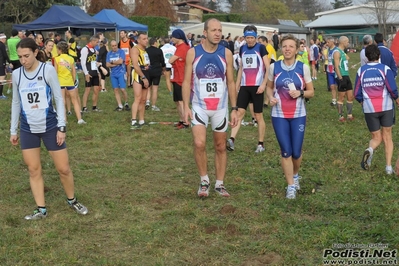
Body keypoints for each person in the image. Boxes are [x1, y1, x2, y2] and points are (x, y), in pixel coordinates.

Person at [9, 38, 88, 220]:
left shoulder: (48, 70)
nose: (23, 60)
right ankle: (41, 209)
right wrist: (13, 130)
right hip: (28, 128)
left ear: (36, 52)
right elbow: (15, 102)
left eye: (26, 56)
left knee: (64, 168)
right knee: (33, 170)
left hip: (51, 126)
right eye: (20, 57)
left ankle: (72, 200)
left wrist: (62, 126)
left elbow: (59, 99)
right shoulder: (17, 74)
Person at [182, 18, 238, 198]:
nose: (217, 33)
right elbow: (185, 81)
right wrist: (185, 106)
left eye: (219, 30)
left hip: (220, 108)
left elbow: (230, 81)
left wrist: (235, 108)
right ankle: (204, 181)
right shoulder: (193, 52)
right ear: (205, 33)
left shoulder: (226, 53)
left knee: (221, 146)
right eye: (213, 30)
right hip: (199, 106)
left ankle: (220, 184)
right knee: (199, 143)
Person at [266, 34, 314, 199]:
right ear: (281, 48)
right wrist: (270, 97)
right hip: (279, 115)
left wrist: (300, 92)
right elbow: (269, 87)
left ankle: (295, 174)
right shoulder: (274, 67)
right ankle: (291, 186)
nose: (287, 49)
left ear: (296, 49)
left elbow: (311, 92)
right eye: (285, 46)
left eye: (291, 46)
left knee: (296, 152)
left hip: (298, 115)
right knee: (286, 151)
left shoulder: (303, 67)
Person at [354, 44, 399, 175]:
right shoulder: (385, 69)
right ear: (379, 55)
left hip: (369, 108)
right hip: (386, 107)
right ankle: (388, 167)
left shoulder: (360, 71)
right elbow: (392, 88)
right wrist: (396, 98)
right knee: (387, 137)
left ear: (366, 57)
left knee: (376, 137)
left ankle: (370, 150)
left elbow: (356, 92)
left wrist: (362, 102)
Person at [227, 25, 270, 153]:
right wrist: (237, 84)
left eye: (252, 38)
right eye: (247, 38)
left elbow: (268, 68)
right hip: (245, 86)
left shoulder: (261, 48)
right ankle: (232, 139)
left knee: (258, 115)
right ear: (244, 37)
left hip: (257, 86)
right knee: (239, 113)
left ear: (256, 37)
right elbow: (241, 67)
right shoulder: (242, 48)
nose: (250, 40)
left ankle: (260, 144)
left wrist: (263, 84)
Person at [54, 41, 86, 125]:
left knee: (62, 101)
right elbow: (74, 72)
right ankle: (79, 119)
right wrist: (73, 80)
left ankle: (64, 120)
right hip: (70, 82)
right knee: (74, 100)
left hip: (60, 82)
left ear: (60, 49)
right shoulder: (71, 58)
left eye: (57, 49)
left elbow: (55, 72)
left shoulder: (56, 59)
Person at [169, 29, 191, 129]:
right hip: (176, 76)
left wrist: (173, 61)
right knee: (177, 100)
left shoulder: (183, 47)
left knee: (181, 101)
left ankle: (186, 122)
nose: (172, 39)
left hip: (181, 77)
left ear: (178, 37)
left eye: (173, 37)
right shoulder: (178, 47)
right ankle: (181, 119)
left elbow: (171, 60)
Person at [129, 32, 150, 130]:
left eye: (147, 38)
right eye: (144, 39)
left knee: (143, 99)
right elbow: (136, 66)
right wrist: (143, 77)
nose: (146, 40)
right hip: (138, 75)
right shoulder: (135, 49)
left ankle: (141, 120)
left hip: (146, 73)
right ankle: (133, 120)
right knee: (137, 98)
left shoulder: (144, 50)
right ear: (138, 40)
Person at [333, 36, 354, 122]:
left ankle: (349, 115)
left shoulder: (343, 52)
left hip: (347, 75)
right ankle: (340, 116)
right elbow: (336, 67)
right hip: (342, 76)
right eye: (347, 42)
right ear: (343, 42)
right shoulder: (337, 52)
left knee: (350, 96)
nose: (348, 43)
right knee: (341, 97)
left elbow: (344, 63)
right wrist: (340, 78)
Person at [106, 40, 129, 111]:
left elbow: (121, 61)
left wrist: (112, 62)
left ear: (117, 45)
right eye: (112, 46)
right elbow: (107, 64)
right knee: (115, 89)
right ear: (111, 46)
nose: (114, 47)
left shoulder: (121, 52)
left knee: (122, 89)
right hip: (113, 74)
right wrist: (116, 63)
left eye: (115, 45)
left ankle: (126, 103)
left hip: (121, 72)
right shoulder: (109, 53)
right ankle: (120, 105)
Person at [81, 35, 101, 112]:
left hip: (94, 72)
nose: (97, 43)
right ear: (92, 41)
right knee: (87, 90)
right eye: (96, 42)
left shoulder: (94, 50)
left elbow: (94, 61)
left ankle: (94, 106)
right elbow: (83, 63)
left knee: (96, 89)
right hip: (88, 73)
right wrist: (86, 73)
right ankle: (84, 107)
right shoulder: (85, 49)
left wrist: (98, 71)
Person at [145, 37, 166, 111]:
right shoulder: (159, 51)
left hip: (148, 70)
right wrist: (163, 70)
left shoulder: (146, 50)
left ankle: (147, 102)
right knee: (155, 88)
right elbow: (162, 62)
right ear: (155, 43)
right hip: (157, 71)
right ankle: (153, 106)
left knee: (148, 87)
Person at [326, 36, 338, 106]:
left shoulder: (337, 50)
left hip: (336, 71)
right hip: (329, 71)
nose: (327, 44)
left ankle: (340, 100)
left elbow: (346, 57)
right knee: (332, 86)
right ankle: (334, 101)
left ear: (332, 42)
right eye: (326, 42)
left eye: (328, 42)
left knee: (337, 87)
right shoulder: (328, 50)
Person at [0, 33, 10, 99]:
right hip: (1, 64)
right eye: (5, 38)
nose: (5, 40)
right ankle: (0, 94)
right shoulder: (2, 45)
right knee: (2, 79)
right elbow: (5, 54)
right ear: (2, 39)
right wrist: (9, 62)